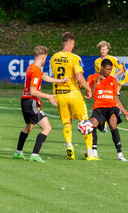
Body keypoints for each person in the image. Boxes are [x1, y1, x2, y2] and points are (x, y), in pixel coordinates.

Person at [13, 46, 70, 163]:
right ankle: (35, 154)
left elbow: (44, 76)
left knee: (29, 127)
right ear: (43, 57)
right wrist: (49, 96)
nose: (45, 61)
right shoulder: (35, 71)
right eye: (45, 59)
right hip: (31, 102)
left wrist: (61, 80)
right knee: (47, 127)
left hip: (25, 102)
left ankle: (18, 153)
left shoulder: (32, 67)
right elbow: (33, 91)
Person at [50, 32, 95, 161]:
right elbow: (79, 77)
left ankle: (69, 145)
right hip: (73, 93)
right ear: (73, 43)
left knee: (66, 122)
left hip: (59, 95)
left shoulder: (54, 57)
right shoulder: (75, 58)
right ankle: (90, 153)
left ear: (62, 42)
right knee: (85, 121)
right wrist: (88, 89)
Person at [87, 59, 128, 161]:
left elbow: (116, 99)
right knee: (92, 123)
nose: (109, 71)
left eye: (110, 70)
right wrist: (96, 82)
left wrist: (127, 114)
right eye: (107, 69)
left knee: (113, 124)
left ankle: (120, 154)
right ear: (102, 68)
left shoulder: (113, 80)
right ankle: (94, 152)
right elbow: (89, 95)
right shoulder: (92, 78)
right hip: (98, 107)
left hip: (111, 107)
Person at [94, 41, 125, 133]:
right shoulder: (97, 61)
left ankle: (110, 120)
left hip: (111, 85)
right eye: (102, 49)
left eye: (105, 49)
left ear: (108, 49)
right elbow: (97, 73)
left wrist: (114, 76)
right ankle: (104, 123)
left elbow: (122, 69)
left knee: (111, 103)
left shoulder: (113, 59)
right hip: (102, 85)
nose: (103, 51)